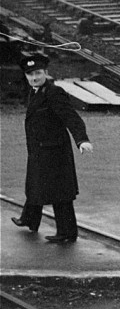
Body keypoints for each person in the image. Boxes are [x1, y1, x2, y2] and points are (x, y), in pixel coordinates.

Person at [11, 53, 93, 243]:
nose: (34, 77)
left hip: (55, 153)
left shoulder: (53, 92)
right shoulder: (34, 91)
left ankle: (67, 233)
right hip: (39, 151)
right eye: (30, 74)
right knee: (35, 185)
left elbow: (71, 117)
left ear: (46, 73)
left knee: (60, 194)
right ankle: (30, 219)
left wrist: (82, 140)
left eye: (38, 73)